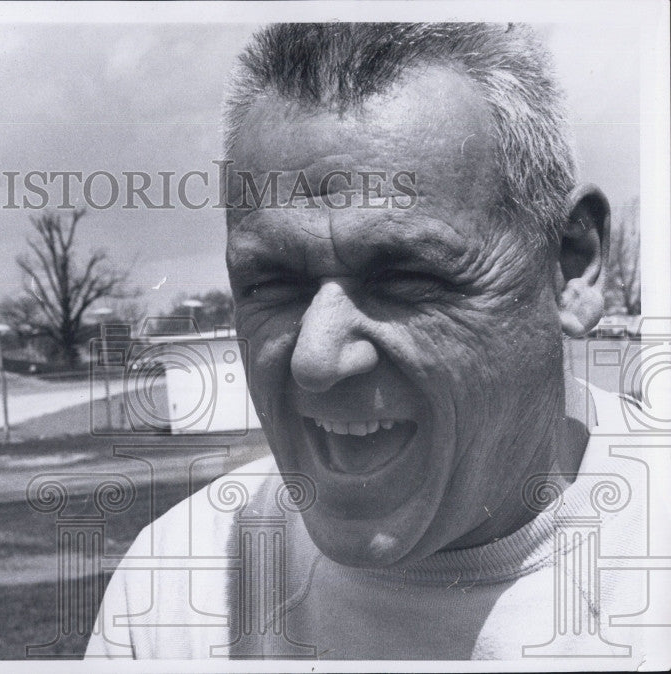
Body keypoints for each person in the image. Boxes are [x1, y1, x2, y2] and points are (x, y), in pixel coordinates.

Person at [87, 23, 665, 660]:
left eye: (405, 277)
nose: (315, 358)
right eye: (273, 284)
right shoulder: (174, 593)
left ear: (569, 267)